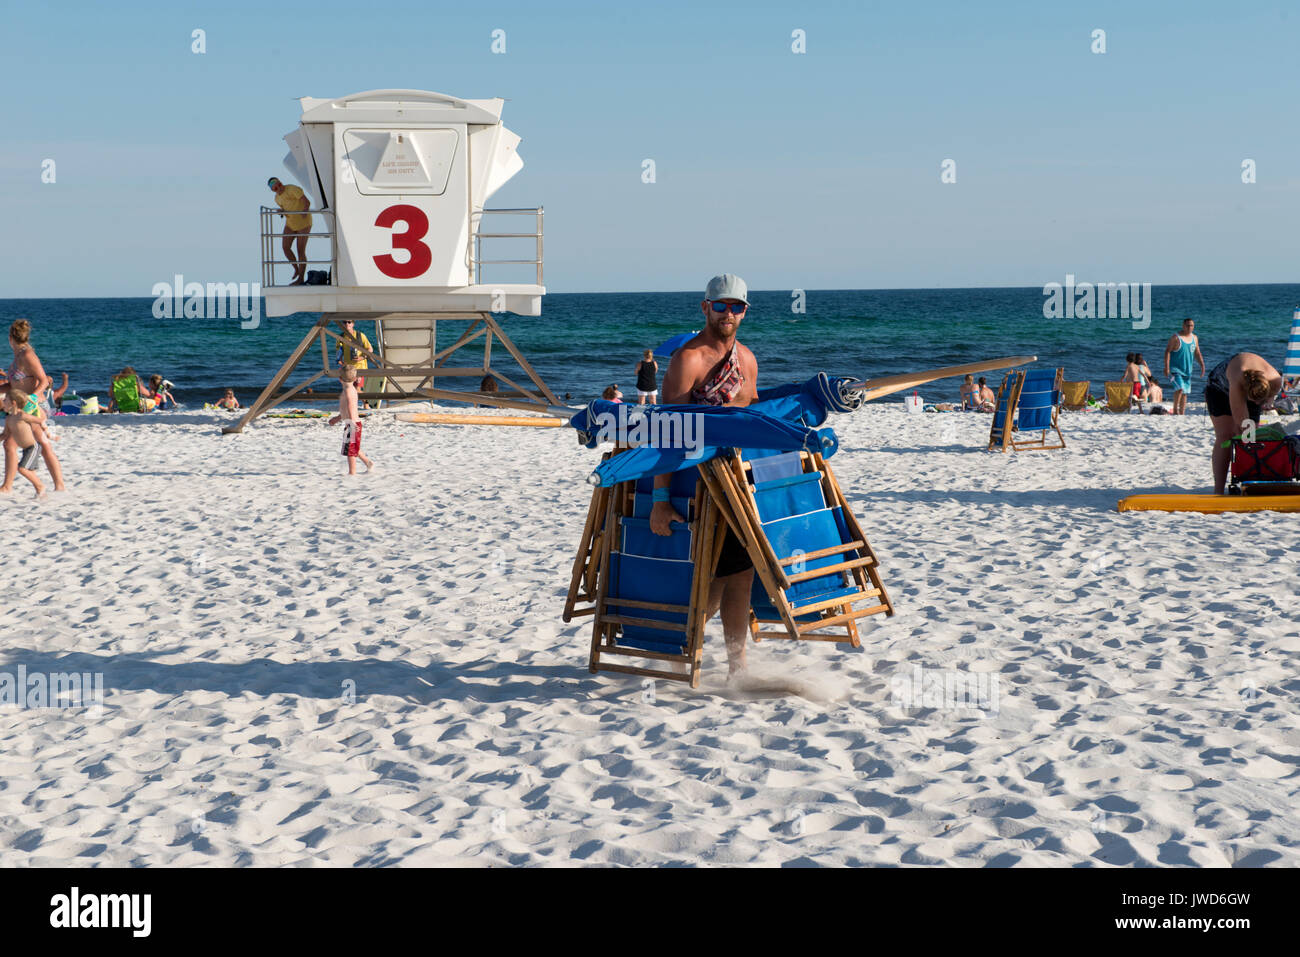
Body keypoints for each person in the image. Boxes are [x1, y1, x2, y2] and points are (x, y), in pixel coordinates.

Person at [650, 274, 759, 679]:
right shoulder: (688, 360)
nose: (728, 313)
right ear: (705, 307)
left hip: (737, 480)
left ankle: (737, 667)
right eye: (721, 305)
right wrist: (661, 500)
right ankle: (684, 651)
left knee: (742, 572)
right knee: (710, 578)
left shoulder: (746, 360)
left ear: (745, 311)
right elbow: (664, 433)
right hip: (695, 484)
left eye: (737, 306)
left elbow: (752, 419)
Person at [0, 320, 65, 492]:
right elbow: (14, 385)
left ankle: (59, 485)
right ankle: (7, 486)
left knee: (42, 444)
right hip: (20, 407)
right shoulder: (16, 358)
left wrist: (32, 399)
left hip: (35, 406)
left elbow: (43, 380)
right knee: (10, 444)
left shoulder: (27, 354)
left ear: (9, 338)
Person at [1204, 352, 1283, 494]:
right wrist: (1243, 430)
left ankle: (1250, 483)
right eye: (1255, 401)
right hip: (1219, 388)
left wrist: (1264, 403)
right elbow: (1242, 423)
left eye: (1260, 401)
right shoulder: (1237, 380)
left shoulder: (1275, 380)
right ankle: (1219, 490)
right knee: (1226, 435)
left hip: (1255, 387)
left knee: (1251, 438)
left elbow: (1250, 432)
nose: (1258, 404)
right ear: (1246, 393)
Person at [0, 390, 48, 498]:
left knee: (22, 469)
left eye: (5, 399)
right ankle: (41, 494)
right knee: (30, 471)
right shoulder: (8, 419)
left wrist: (49, 433)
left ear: (14, 403)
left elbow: (40, 420)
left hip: (33, 447)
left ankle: (41, 487)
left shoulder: (22, 415)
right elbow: (5, 434)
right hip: (26, 449)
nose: (3, 400)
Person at [329, 365, 374, 475]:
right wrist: (337, 418)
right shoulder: (349, 389)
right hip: (352, 422)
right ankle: (367, 462)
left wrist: (352, 423)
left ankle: (352, 472)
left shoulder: (349, 391)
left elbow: (350, 407)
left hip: (352, 423)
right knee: (352, 446)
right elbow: (346, 409)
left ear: (339, 379)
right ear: (355, 379)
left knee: (350, 451)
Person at [268, 177, 313, 285]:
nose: (278, 188)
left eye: (279, 185)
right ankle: (296, 268)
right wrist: (281, 212)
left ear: (281, 182)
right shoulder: (277, 198)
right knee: (285, 247)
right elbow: (287, 208)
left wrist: (304, 212)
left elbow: (307, 202)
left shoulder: (292, 189)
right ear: (273, 190)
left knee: (300, 250)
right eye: (275, 188)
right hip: (290, 224)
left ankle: (301, 278)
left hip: (303, 223)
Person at [1163, 318, 1205, 416]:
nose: (1190, 327)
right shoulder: (1176, 337)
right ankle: (1175, 410)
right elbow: (1167, 351)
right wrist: (1167, 367)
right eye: (1188, 325)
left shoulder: (1195, 338)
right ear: (1183, 326)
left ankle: (1182, 413)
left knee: (1185, 393)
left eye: (1192, 326)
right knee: (1180, 389)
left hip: (1188, 370)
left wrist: (1202, 365)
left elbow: (1197, 352)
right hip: (1175, 370)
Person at [335, 319, 373, 407]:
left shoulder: (360, 335)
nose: (347, 324)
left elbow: (370, 349)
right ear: (342, 324)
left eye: (349, 322)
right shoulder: (340, 336)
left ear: (353, 324)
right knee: (349, 388)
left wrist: (362, 357)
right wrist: (339, 360)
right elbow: (339, 351)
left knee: (357, 388)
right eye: (344, 322)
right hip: (348, 367)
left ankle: (366, 405)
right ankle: (356, 405)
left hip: (360, 366)